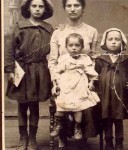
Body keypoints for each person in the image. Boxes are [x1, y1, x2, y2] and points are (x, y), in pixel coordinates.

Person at [48, 0, 100, 149]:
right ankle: (62, 137)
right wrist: (55, 83)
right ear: (64, 9)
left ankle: (82, 137)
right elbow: (52, 61)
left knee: (87, 101)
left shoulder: (92, 31)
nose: (72, 9)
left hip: (84, 78)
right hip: (62, 79)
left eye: (76, 5)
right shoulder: (58, 32)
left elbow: (95, 58)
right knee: (62, 100)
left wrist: (91, 79)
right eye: (69, 6)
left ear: (82, 8)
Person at [4, 0, 54, 150]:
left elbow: (56, 49)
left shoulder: (49, 29)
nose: (37, 9)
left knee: (34, 105)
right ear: (28, 8)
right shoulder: (19, 26)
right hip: (22, 70)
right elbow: (9, 50)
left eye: (41, 6)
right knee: (22, 104)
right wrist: (10, 70)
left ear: (45, 9)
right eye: (34, 6)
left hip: (40, 70)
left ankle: (32, 137)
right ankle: (22, 137)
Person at [95, 28, 128, 150]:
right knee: (107, 119)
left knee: (118, 119)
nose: (113, 42)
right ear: (105, 42)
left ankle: (119, 143)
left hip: (120, 96)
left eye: (117, 39)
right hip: (104, 96)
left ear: (122, 42)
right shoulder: (100, 60)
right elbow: (94, 76)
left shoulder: (126, 60)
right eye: (110, 39)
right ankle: (108, 143)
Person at [50, 33, 100, 140]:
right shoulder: (63, 58)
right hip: (66, 85)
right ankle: (58, 125)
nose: (74, 48)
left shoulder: (85, 58)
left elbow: (92, 73)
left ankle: (78, 128)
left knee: (79, 107)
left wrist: (91, 83)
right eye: (71, 45)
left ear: (82, 47)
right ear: (66, 47)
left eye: (77, 45)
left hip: (79, 86)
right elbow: (57, 72)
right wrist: (56, 85)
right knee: (60, 105)